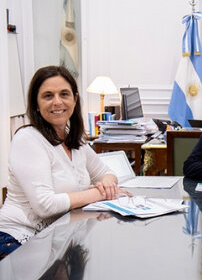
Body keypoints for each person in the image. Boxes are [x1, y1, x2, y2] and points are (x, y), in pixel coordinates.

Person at [0, 65, 124, 259]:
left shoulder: (73, 138)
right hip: (17, 238)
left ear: (74, 100)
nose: (57, 102)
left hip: (56, 239)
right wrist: (98, 193)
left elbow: (106, 172)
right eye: (48, 96)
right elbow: (45, 205)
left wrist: (107, 183)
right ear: (36, 104)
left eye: (64, 94)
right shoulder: (27, 139)